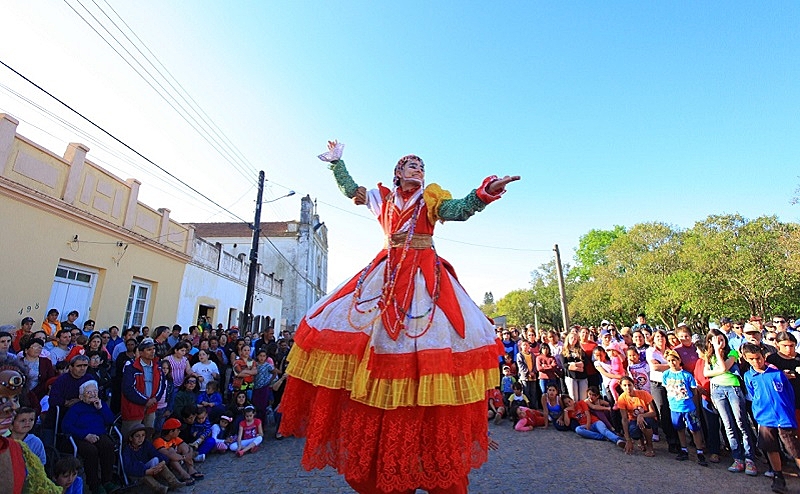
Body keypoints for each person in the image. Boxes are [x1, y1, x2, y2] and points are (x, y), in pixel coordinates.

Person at [279, 141, 518, 494]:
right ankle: (385, 440)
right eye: (411, 164)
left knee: (435, 340)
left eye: (421, 164)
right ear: (398, 172)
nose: (418, 168)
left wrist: (484, 194)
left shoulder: (431, 200)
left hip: (424, 276)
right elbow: (351, 191)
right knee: (367, 338)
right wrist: (337, 164)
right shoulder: (383, 199)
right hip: (388, 273)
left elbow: (459, 209)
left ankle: (428, 435)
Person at [741, 342, 800, 494]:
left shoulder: (777, 373)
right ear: (747, 359)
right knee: (771, 448)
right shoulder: (748, 376)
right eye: (752, 359)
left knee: (794, 448)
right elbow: (753, 395)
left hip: (784, 416)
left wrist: (788, 412)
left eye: (758, 358)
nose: (756, 362)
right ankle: (778, 476)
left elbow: (789, 394)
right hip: (765, 418)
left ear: (763, 356)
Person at [704, 329, 757, 475]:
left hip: (732, 388)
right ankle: (738, 458)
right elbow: (705, 373)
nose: (719, 342)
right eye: (715, 340)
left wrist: (718, 352)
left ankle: (749, 458)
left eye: (721, 339)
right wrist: (714, 354)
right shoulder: (708, 356)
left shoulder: (732, 353)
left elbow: (723, 367)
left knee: (741, 423)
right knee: (728, 425)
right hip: (717, 390)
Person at [61, 380, 119, 494]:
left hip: (99, 434)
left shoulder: (100, 405)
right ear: (81, 396)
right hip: (80, 437)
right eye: (89, 392)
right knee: (91, 451)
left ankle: (107, 481)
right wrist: (85, 435)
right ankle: (94, 485)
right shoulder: (76, 408)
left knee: (108, 445)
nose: (93, 394)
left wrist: (101, 408)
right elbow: (66, 426)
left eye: (95, 391)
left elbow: (111, 421)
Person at [662, 349, 707, 465]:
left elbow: (693, 391)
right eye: (669, 361)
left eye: (674, 360)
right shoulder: (666, 375)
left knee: (694, 429)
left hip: (688, 407)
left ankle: (700, 451)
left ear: (679, 360)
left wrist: (695, 406)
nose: (672, 363)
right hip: (675, 407)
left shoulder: (686, 375)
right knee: (679, 429)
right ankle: (684, 449)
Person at [122, 423, 185, 494]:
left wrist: (163, 461)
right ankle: (159, 488)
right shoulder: (127, 450)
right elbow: (128, 467)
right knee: (143, 474)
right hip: (135, 473)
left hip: (149, 468)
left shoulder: (146, 444)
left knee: (160, 461)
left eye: (143, 435)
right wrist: (145, 471)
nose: (141, 438)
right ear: (131, 438)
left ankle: (173, 482)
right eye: (137, 436)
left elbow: (156, 453)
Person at [121, 337, 166, 434]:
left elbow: (161, 385)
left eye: (153, 349)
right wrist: (145, 401)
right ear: (141, 353)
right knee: (130, 434)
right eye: (149, 349)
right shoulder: (131, 367)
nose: (152, 352)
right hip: (134, 408)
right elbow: (128, 389)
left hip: (151, 407)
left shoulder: (158, 367)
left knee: (149, 433)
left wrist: (155, 399)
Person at [616, 375, 658, 457]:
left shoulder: (644, 394)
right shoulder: (621, 398)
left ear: (633, 385)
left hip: (647, 417)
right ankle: (641, 441)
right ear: (621, 387)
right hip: (633, 420)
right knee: (634, 432)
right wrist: (628, 439)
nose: (627, 388)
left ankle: (650, 446)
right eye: (624, 385)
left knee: (645, 423)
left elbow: (653, 412)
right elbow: (624, 419)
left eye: (629, 385)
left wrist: (641, 415)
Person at [152, 418, 199, 484]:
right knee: (171, 452)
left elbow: (187, 447)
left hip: (177, 457)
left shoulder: (175, 438)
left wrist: (189, 453)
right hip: (164, 463)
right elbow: (168, 455)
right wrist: (185, 457)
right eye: (178, 430)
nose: (179, 431)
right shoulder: (158, 441)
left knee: (183, 447)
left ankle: (191, 469)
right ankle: (184, 475)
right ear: (171, 432)